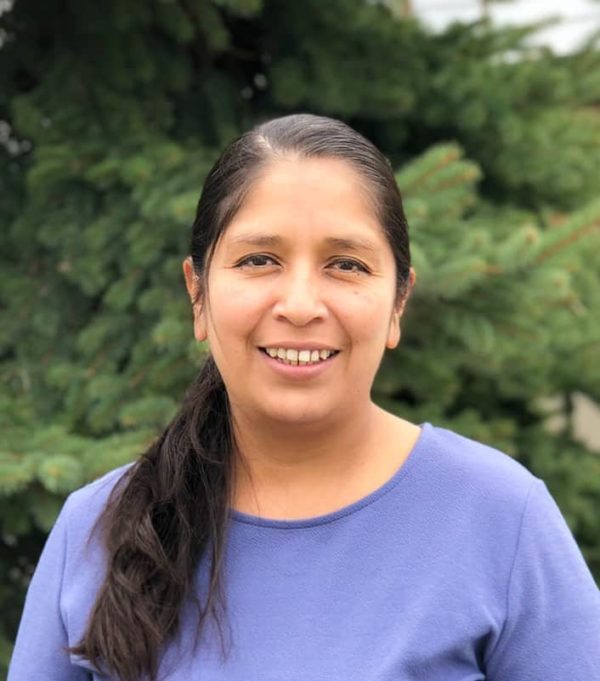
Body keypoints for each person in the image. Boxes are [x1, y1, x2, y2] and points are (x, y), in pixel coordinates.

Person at [8, 114, 600, 681]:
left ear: (398, 303)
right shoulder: (96, 530)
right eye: (258, 260)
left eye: (346, 264)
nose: (299, 305)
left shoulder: (501, 518)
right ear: (197, 294)